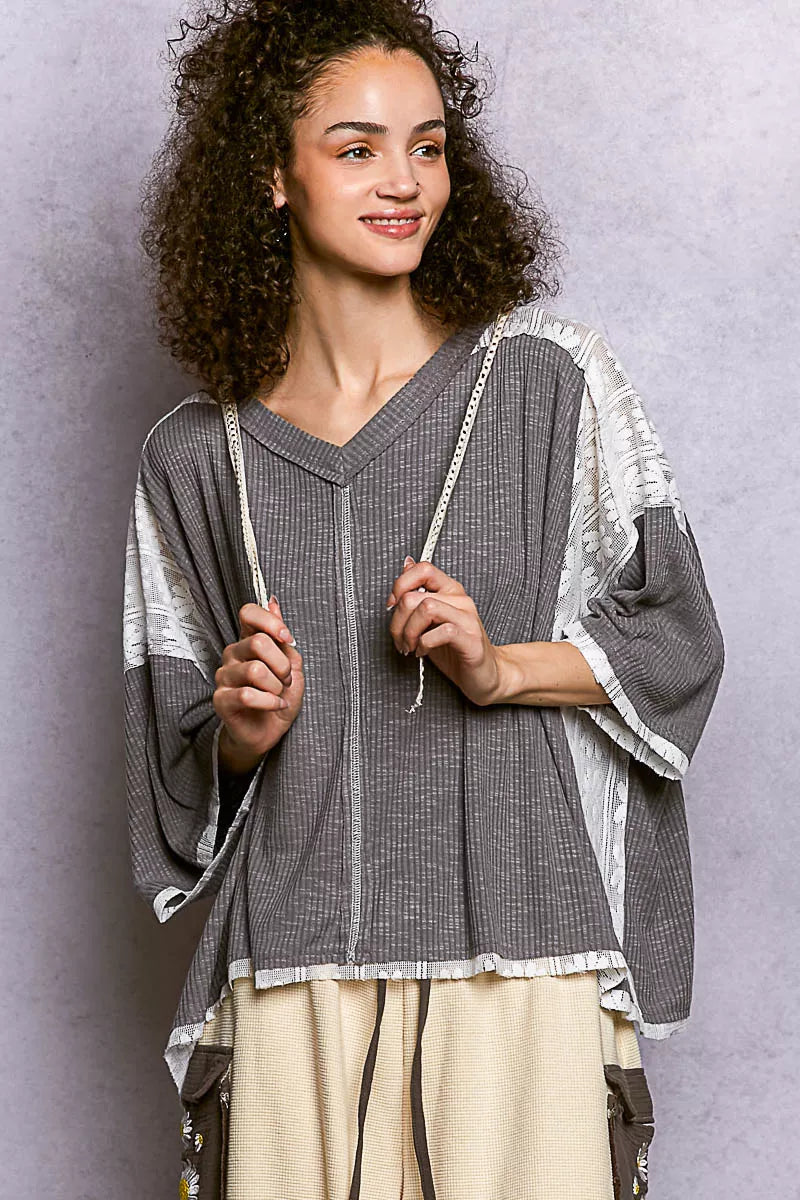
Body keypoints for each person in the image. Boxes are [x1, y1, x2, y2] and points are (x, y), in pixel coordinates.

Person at [124, 1, 725, 1197]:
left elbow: (676, 636)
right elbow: (171, 773)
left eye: (427, 145)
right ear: (271, 175)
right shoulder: (195, 457)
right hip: (291, 974)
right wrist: (239, 731)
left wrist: (498, 670)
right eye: (356, 148)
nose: (403, 181)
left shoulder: (548, 380)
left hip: (523, 959)